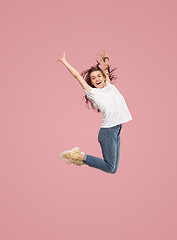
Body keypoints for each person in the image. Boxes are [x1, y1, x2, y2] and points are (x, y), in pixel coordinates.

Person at [56, 50, 132, 174]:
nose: (97, 79)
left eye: (99, 76)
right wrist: (64, 61)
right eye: (93, 78)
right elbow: (77, 76)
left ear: (103, 77)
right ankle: (77, 156)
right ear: (91, 82)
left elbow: (106, 70)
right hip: (108, 132)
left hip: (117, 130)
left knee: (113, 169)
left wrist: (106, 59)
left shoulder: (110, 86)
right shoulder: (93, 93)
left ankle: (78, 158)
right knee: (110, 167)